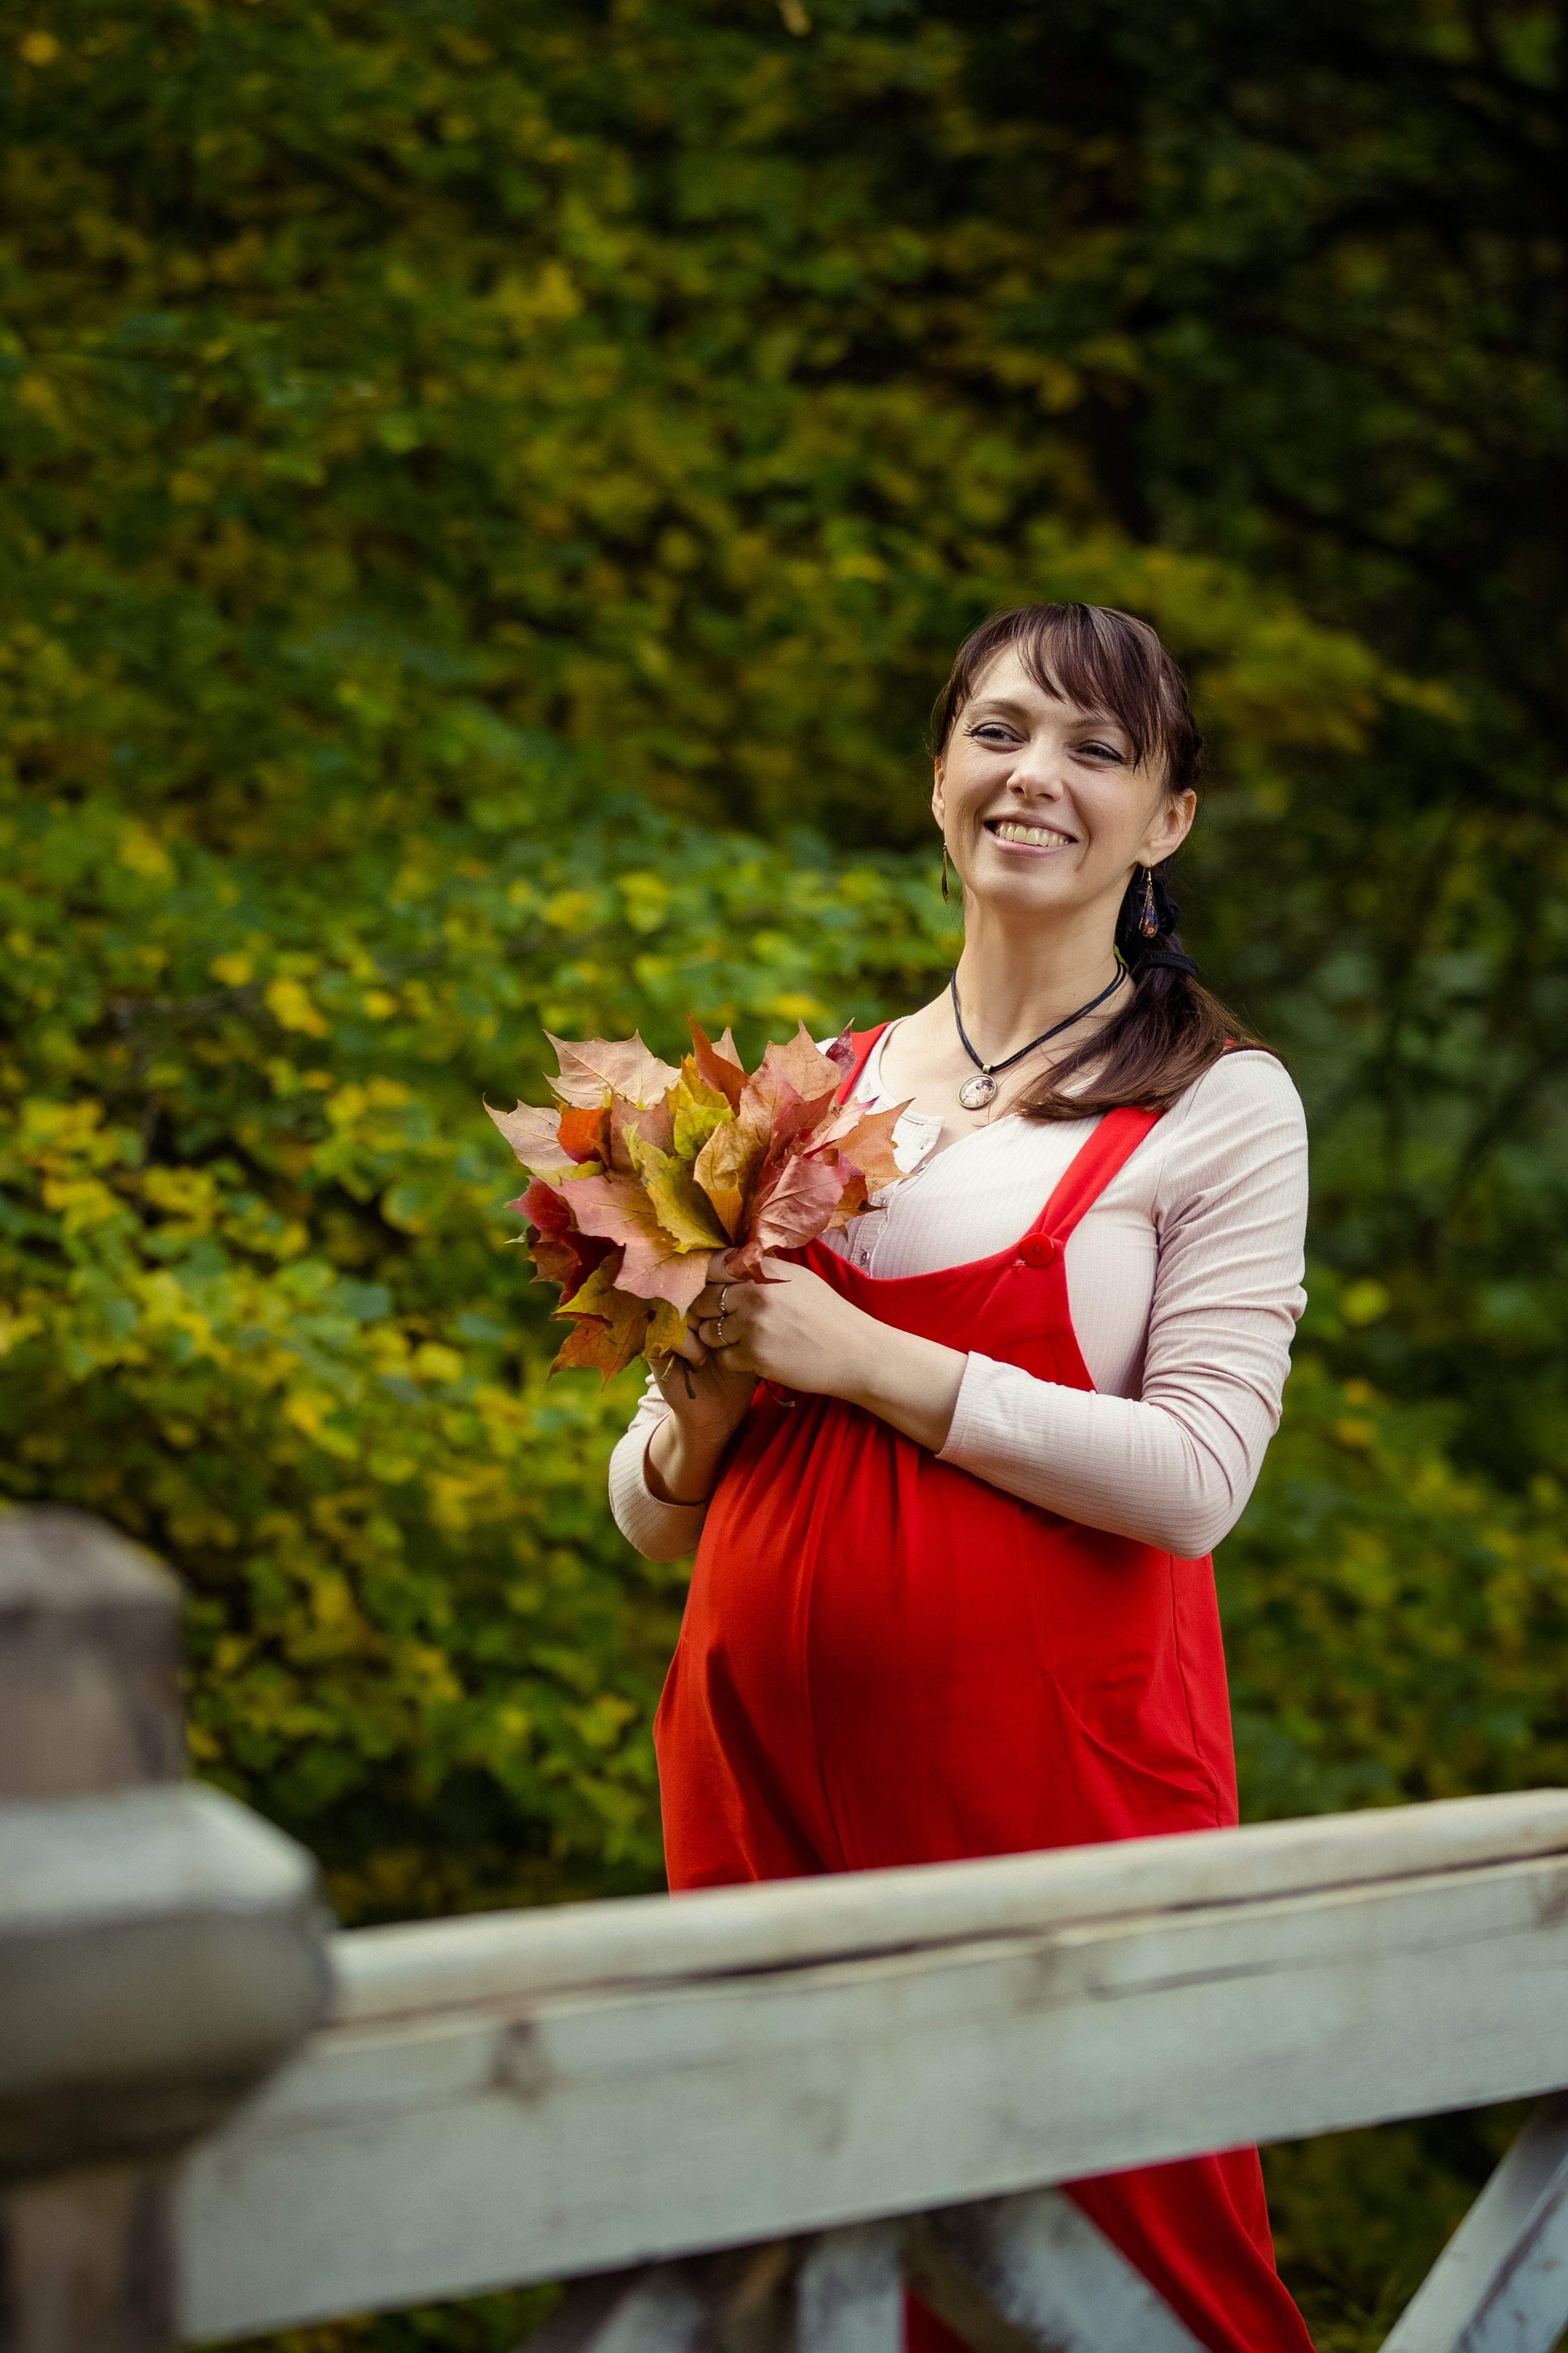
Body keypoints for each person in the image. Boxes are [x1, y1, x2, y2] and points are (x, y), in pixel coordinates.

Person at [607, 601, 1314, 2353]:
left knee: (1120, 2249)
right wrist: (693, 1405)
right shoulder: (805, 1094)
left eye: (1095, 748)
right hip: (758, 1770)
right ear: (938, 780)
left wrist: (868, 1363)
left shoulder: (1218, 1106)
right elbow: (643, 1508)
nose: (1034, 776)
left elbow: (1193, 1481)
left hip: (1053, 1785)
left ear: (1164, 824)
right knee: (787, 2253)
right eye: (998, 732)